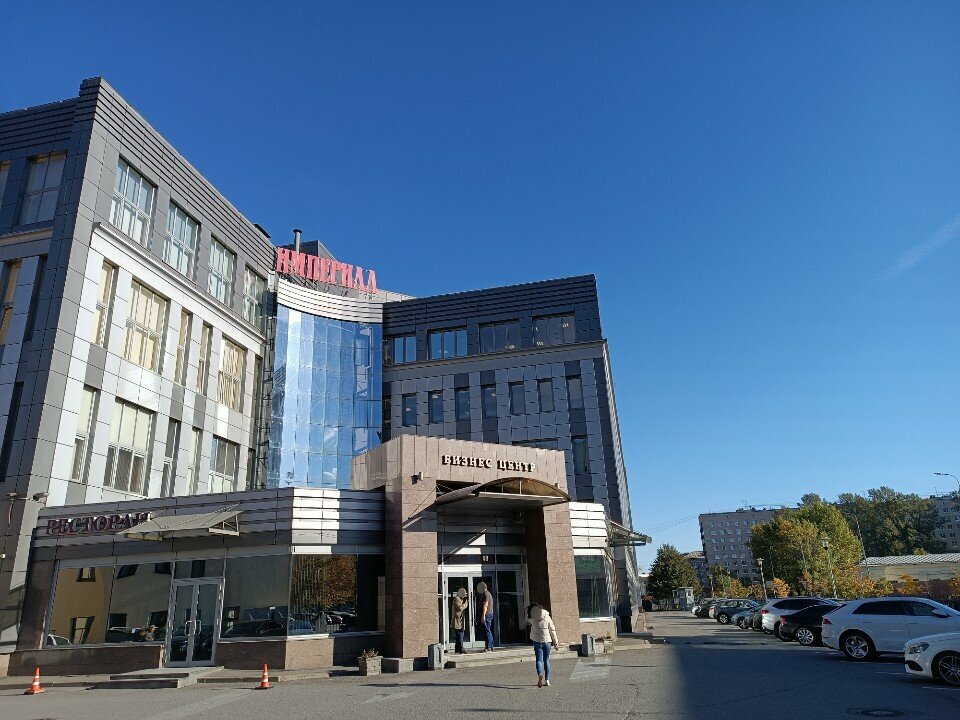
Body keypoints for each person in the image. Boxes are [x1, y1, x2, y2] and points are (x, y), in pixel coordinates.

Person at [526, 602, 559, 688]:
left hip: (537, 641)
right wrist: (555, 642)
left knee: (539, 660)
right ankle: (547, 680)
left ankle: (540, 674)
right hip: (547, 641)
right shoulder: (547, 616)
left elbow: (526, 619)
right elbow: (552, 629)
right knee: (546, 660)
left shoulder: (532, 618)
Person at [476, 581, 495, 651]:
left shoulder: (486, 594)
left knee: (486, 630)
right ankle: (491, 645)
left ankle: (488, 646)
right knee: (488, 630)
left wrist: (483, 616)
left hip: (487, 615)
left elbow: (485, 605)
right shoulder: (488, 594)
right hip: (489, 614)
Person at [451, 587, 468, 653]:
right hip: (458, 620)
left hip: (459, 620)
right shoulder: (457, 599)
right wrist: (465, 604)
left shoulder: (460, 599)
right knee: (460, 634)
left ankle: (458, 649)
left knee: (459, 634)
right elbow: (460, 608)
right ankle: (460, 648)